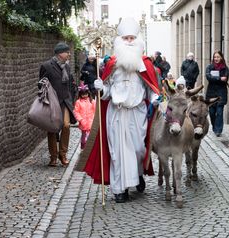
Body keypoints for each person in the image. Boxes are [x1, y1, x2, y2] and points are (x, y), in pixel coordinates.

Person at [81, 17, 161, 203]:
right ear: (120, 40)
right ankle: (120, 189)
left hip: (137, 112)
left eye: (132, 38)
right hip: (116, 113)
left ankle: (138, 174)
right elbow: (107, 94)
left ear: (138, 40)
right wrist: (101, 87)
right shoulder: (111, 65)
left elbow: (151, 90)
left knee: (137, 149)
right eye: (126, 38)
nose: (129, 42)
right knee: (117, 151)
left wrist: (156, 99)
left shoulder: (145, 64)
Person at [39, 42, 77, 166]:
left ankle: (63, 154)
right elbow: (41, 84)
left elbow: (70, 84)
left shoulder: (67, 66)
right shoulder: (47, 66)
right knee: (52, 129)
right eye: (67, 52)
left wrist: (72, 99)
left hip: (65, 101)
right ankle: (53, 157)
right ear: (60, 53)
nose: (69, 54)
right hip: (53, 102)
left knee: (66, 125)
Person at [205, 50, 229, 137]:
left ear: (221, 57)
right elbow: (208, 77)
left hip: (221, 93)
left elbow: (225, 79)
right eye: (215, 57)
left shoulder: (225, 68)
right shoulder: (209, 67)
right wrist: (219, 78)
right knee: (211, 112)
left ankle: (218, 130)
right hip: (211, 93)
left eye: (218, 57)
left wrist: (215, 78)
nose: (216, 58)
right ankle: (215, 126)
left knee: (219, 112)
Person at [73, 84, 96, 149]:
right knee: (84, 135)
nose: (85, 95)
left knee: (90, 136)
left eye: (86, 94)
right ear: (80, 95)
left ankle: (90, 147)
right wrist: (80, 119)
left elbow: (95, 110)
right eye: (83, 94)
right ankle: (83, 146)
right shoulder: (78, 102)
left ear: (88, 93)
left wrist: (94, 118)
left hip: (91, 121)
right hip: (83, 122)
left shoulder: (92, 101)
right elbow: (76, 111)